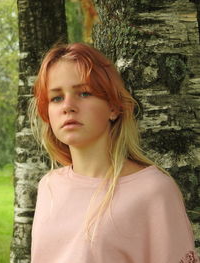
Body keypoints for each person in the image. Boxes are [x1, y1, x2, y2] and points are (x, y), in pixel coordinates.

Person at [30, 43, 199, 263]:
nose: (68, 106)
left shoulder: (153, 190)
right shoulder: (49, 186)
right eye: (56, 98)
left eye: (84, 93)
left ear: (113, 107)